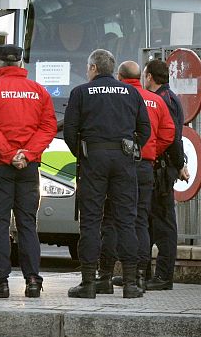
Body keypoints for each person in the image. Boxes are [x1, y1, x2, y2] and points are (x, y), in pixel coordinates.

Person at [63, 49, 151, 299]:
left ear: (93, 68)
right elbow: (145, 129)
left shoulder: (81, 92)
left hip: (94, 160)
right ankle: (131, 284)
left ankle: (89, 282)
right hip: (124, 160)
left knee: (91, 220)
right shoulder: (131, 92)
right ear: (111, 69)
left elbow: (70, 131)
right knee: (126, 220)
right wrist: (131, 149)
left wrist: (83, 154)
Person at [96, 61, 175, 293]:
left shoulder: (119, 96)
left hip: (120, 163)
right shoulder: (156, 100)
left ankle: (106, 274)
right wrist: (150, 150)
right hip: (145, 166)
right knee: (140, 219)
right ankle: (139, 276)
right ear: (141, 76)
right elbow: (169, 133)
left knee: (111, 219)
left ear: (119, 76)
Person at [0, 44, 57, 298]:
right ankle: (33, 281)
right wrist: (27, 154)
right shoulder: (39, 91)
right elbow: (48, 127)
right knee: (27, 224)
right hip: (29, 167)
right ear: (20, 64)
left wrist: (8, 154)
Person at [143, 59, 190, 291]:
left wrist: (179, 164)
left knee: (164, 225)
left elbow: (172, 136)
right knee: (150, 223)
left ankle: (163, 276)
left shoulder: (164, 100)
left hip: (162, 169)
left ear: (150, 76)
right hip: (160, 167)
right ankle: (143, 273)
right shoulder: (166, 97)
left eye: (145, 74)